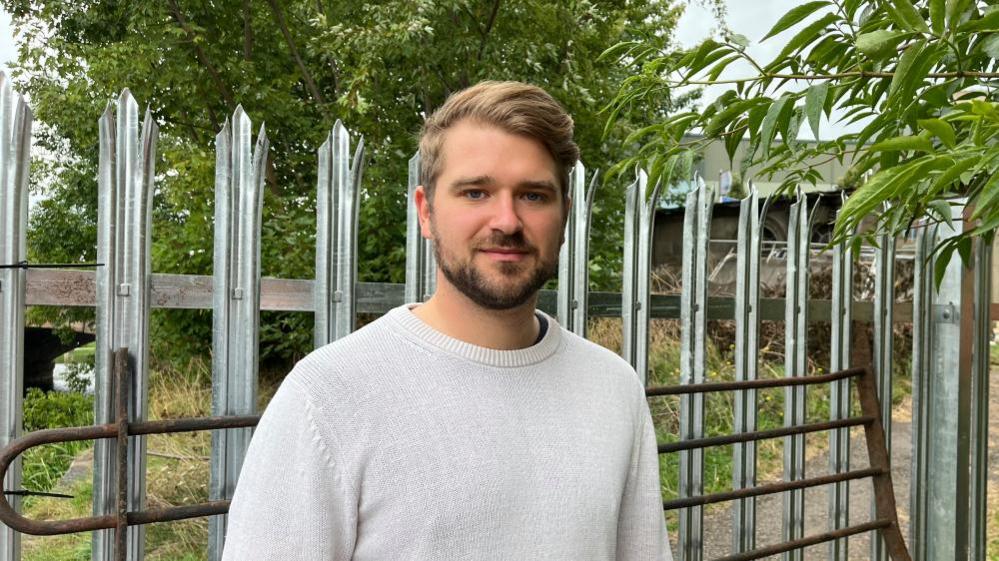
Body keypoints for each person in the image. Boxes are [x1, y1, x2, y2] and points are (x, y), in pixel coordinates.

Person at [221, 80, 672, 561]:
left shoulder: (613, 388)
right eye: (476, 192)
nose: (506, 221)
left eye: (534, 195)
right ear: (426, 212)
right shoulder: (328, 396)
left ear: (564, 214)